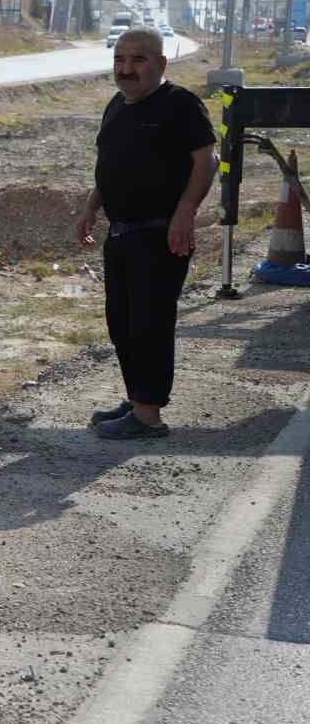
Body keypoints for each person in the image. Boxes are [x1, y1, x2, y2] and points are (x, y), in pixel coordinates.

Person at [75, 25, 215, 440]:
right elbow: (110, 165)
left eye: (138, 59)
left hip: (160, 233)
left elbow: (205, 161)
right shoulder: (116, 106)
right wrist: (90, 207)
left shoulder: (181, 105)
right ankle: (138, 397)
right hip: (121, 232)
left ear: (161, 64)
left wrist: (185, 212)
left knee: (149, 322)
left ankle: (148, 415)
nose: (126, 68)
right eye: (120, 59)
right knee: (121, 321)